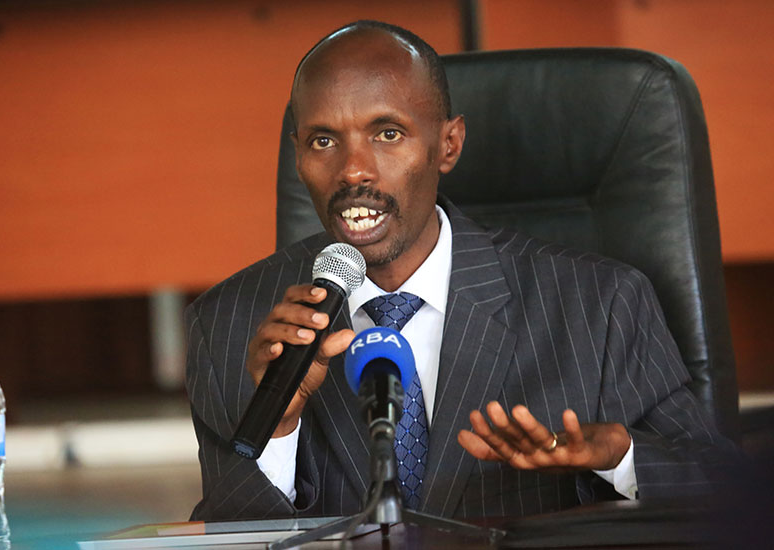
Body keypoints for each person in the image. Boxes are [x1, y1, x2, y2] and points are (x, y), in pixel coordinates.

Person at [185, 20, 735, 521]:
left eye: (388, 134)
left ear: (448, 144)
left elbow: (728, 490)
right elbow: (227, 532)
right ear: (298, 153)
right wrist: (278, 426)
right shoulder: (229, 326)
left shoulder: (600, 304)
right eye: (324, 141)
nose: (352, 169)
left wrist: (621, 458)